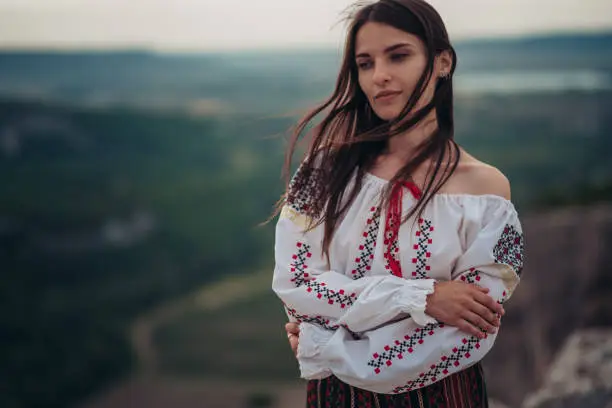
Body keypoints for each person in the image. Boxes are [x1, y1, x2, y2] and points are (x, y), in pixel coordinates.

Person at [271, 0, 525, 406]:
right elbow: (297, 287)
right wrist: (423, 297)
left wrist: (328, 346)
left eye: (399, 55)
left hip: (443, 396)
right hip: (335, 397)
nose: (380, 77)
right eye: (365, 63)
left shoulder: (486, 193)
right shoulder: (323, 171)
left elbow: (468, 333)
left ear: (442, 62)